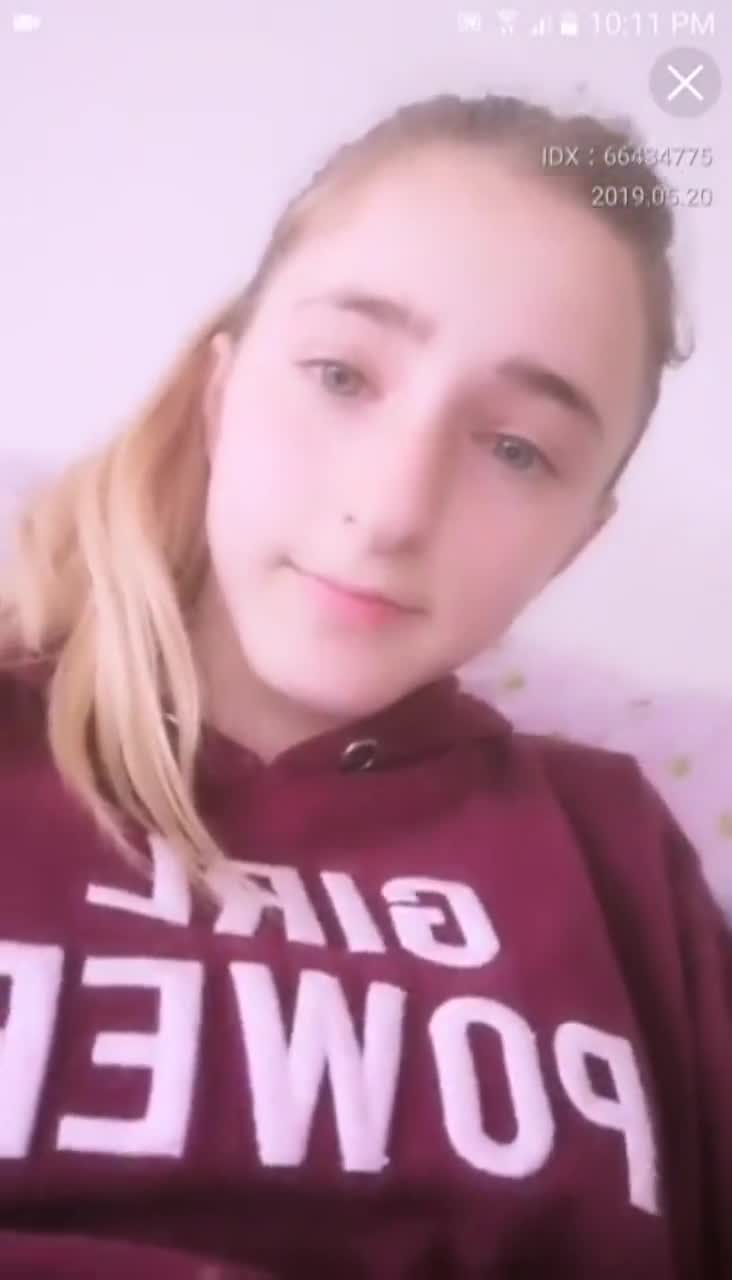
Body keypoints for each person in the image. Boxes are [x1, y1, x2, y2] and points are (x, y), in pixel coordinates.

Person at [0, 90, 729, 1280]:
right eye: (341, 374)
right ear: (222, 394)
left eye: (517, 449)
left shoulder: (617, 855)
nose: (392, 509)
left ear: (573, 544)